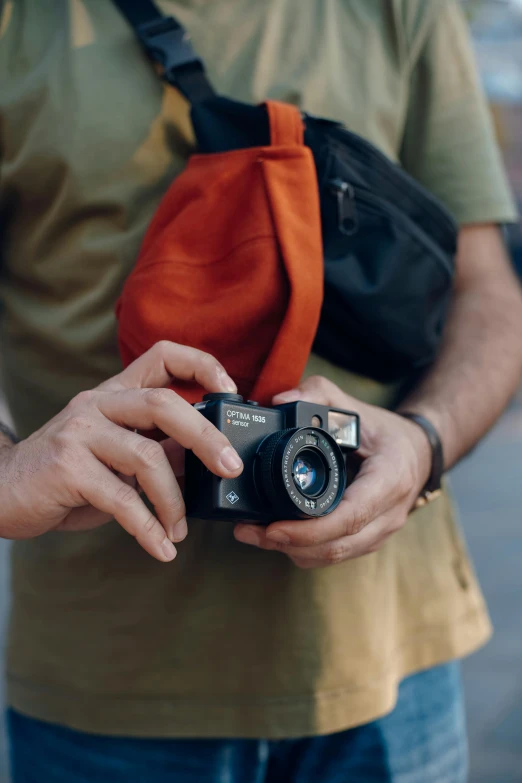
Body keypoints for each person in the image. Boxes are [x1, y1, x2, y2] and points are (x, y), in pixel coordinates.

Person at [1, 1, 521, 781]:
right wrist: (8, 476)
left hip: (391, 665)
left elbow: (492, 294)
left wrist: (422, 442)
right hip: (107, 694)